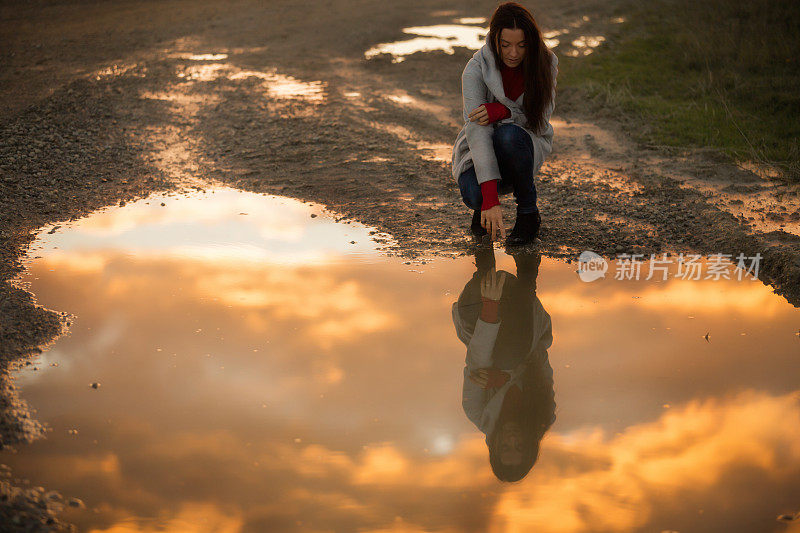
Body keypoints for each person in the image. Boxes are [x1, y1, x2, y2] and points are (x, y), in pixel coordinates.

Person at [451, 2, 559, 246]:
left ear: (530, 42)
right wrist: (489, 199)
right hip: (480, 148)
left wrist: (502, 111)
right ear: (494, 41)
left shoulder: (546, 64)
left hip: (523, 143)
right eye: (505, 45)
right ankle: (483, 211)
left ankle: (528, 213)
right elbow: (477, 130)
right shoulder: (474, 70)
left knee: (508, 135)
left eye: (522, 45)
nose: (513, 53)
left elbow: (540, 122)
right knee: (474, 195)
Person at [451, 249, 556, 481]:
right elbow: (538, 357)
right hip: (523, 313)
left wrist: (490, 304)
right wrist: (504, 377)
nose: (512, 440)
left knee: (497, 356)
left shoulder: (476, 412)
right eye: (519, 447)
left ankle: (484, 255)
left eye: (506, 448)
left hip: (479, 313)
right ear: (529, 448)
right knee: (510, 358)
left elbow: (477, 358)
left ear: (494, 449)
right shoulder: (543, 415)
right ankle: (528, 268)